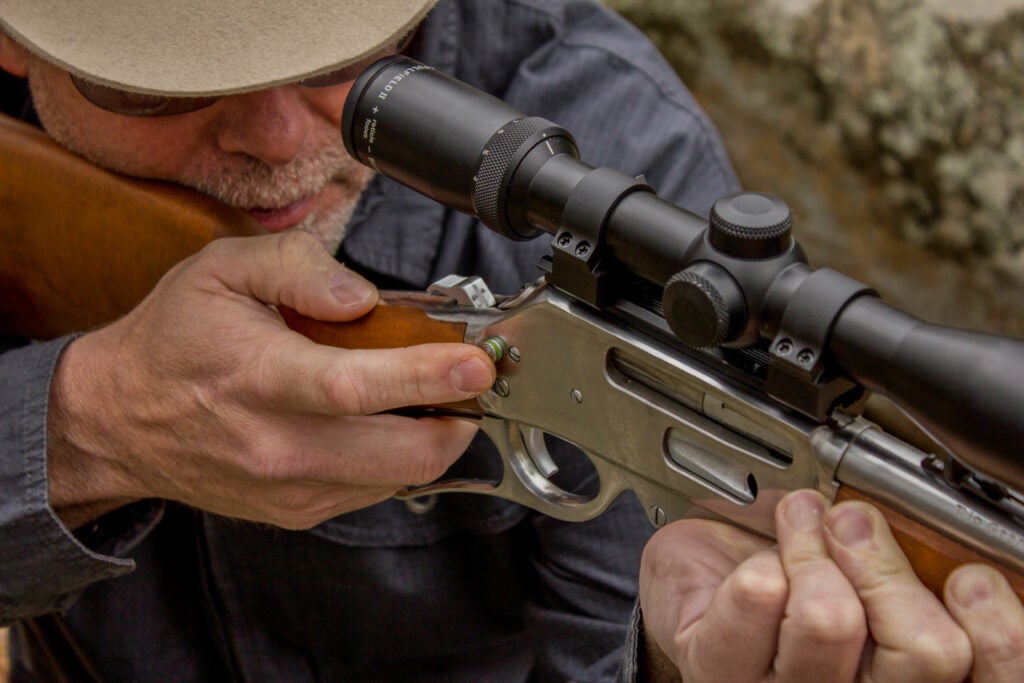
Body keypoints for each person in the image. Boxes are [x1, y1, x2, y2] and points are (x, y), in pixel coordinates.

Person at [0, 0, 1021, 681]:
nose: (276, 138)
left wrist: (687, 657)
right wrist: (87, 427)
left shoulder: (613, 135)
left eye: (350, 61)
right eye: (163, 83)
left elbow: (612, 644)